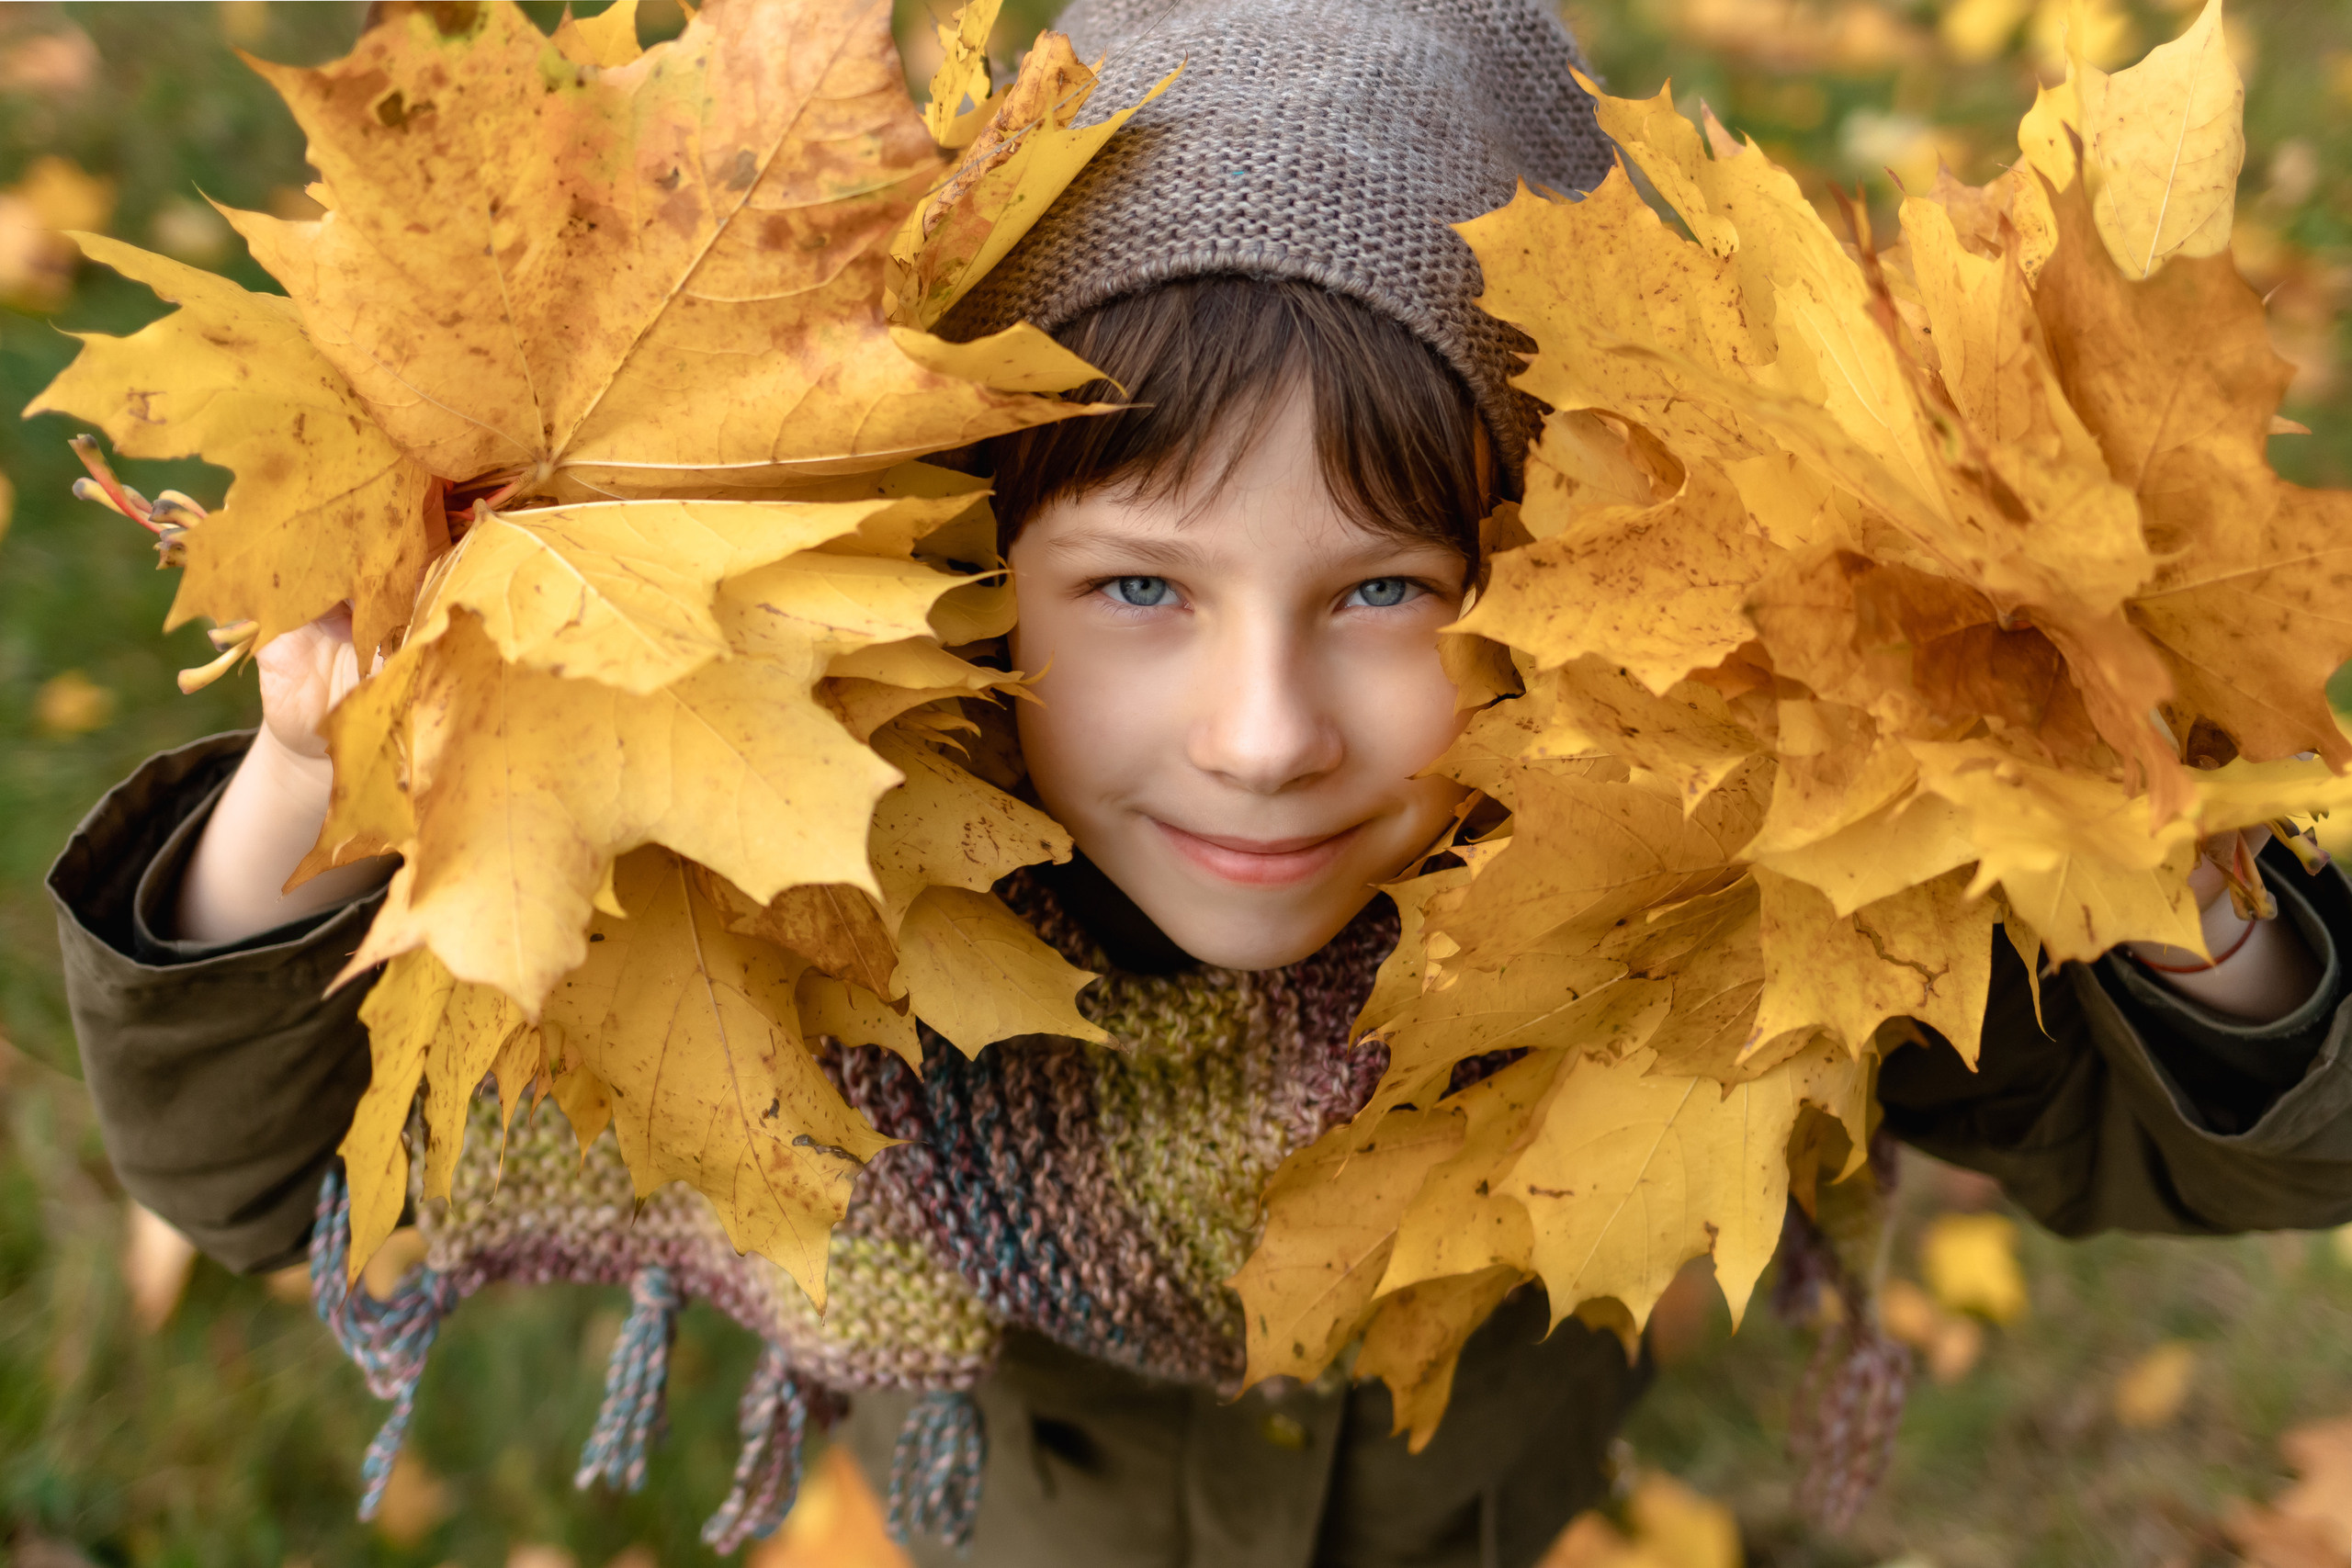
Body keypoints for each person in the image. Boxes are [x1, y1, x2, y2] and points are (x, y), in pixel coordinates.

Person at [44, 0, 2352, 1562]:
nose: (1262, 730)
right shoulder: (773, 872)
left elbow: (2261, 1150)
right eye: (1138, 592)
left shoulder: (1735, 874)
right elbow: (259, 1171)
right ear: (953, 578)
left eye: (1386, 596)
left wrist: (2148, 857)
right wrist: (294, 786)